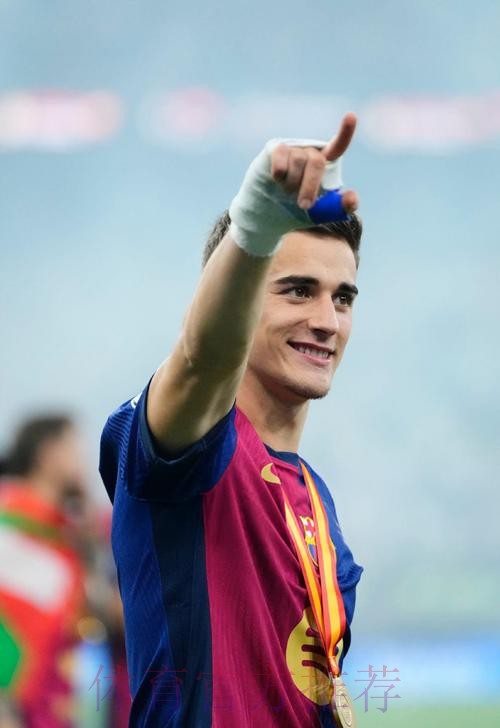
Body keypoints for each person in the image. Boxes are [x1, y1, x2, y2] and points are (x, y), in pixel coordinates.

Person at [100, 114, 364, 727]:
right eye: (297, 290)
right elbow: (202, 361)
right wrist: (255, 226)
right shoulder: (190, 445)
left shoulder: (315, 499)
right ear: (240, 302)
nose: (327, 321)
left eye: (343, 297)